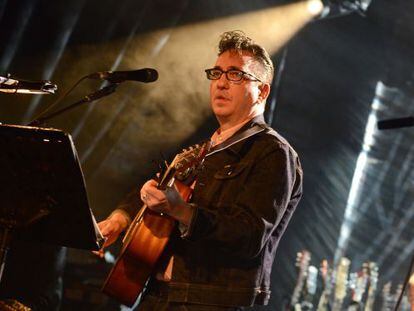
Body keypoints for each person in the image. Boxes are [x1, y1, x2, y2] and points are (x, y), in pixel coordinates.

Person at [97, 30, 303, 310]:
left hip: (209, 301)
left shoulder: (272, 152)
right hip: (157, 295)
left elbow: (250, 235)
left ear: (262, 91)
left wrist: (180, 210)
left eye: (235, 75)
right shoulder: (200, 151)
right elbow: (156, 192)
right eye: (216, 74)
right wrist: (120, 219)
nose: (221, 84)